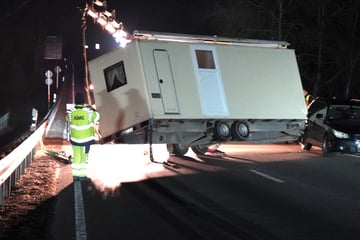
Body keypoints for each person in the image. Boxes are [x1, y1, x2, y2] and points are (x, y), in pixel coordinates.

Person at [66, 93, 101, 180]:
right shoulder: (89, 112)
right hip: (86, 139)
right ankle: (82, 176)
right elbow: (98, 117)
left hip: (75, 139)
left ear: (75, 101)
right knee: (84, 157)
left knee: (76, 157)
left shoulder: (71, 112)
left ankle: (75, 175)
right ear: (83, 101)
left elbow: (67, 118)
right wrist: (93, 109)